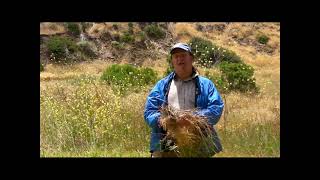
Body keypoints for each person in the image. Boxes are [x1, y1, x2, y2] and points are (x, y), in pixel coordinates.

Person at [144, 43, 224, 157]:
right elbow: (149, 112)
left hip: (198, 139)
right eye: (176, 56)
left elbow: (216, 108)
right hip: (166, 138)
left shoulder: (206, 85)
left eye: (183, 55)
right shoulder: (161, 85)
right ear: (172, 61)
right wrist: (164, 121)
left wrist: (194, 119)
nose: (179, 59)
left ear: (191, 58)